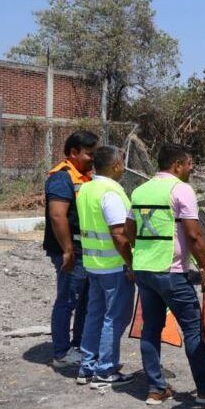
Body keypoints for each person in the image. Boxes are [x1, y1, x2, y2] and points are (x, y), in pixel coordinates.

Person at [128, 143, 205, 406]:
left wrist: (135, 259)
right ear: (177, 165)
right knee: (193, 329)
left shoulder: (139, 191)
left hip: (145, 269)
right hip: (171, 271)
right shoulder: (181, 189)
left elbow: (129, 230)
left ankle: (155, 388)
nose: (191, 168)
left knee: (151, 329)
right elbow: (194, 235)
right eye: (189, 164)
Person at [75, 146, 135, 388]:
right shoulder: (111, 192)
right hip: (114, 266)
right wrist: (131, 263)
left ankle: (87, 366)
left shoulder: (86, 188)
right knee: (115, 318)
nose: (123, 167)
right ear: (115, 166)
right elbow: (119, 234)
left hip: (93, 265)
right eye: (121, 162)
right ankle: (105, 369)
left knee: (95, 316)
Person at [44, 130, 98, 368]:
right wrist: (67, 250)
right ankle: (61, 352)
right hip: (71, 250)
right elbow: (58, 216)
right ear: (74, 152)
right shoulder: (61, 177)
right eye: (89, 154)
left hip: (83, 248)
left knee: (84, 300)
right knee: (67, 299)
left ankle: (78, 345)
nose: (92, 158)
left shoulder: (84, 177)